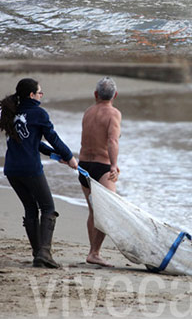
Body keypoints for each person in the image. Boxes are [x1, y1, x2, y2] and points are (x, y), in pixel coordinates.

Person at [0, 77, 78, 267]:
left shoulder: (13, 111)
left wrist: (54, 155)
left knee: (30, 208)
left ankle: (38, 253)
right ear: (31, 95)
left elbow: (34, 143)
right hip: (30, 169)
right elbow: (53, 138)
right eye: (40, 92)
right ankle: (44, 252)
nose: (41, 95)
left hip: (11, 169)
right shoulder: (38, 113)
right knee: (48, 207)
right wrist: (69, 157)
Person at [78, 77, 121, 267]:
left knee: (94, 211)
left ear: (95, 94)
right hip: (102, 167)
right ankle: (94, 253)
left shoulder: (88, 112)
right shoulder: (114, 113)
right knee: (106, 211)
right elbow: (112, 141)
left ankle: (92, 251)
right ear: (115, 95)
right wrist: (114, 165)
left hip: (84, 166)